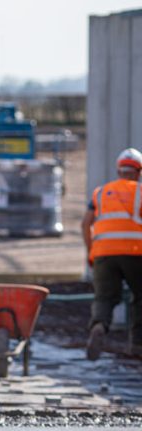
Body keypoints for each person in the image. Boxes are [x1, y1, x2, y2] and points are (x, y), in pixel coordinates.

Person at [82, 147, 142, 360]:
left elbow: (86, 223)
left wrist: (92, 252)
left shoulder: (100, 193)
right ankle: (137, 345)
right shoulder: (140, 191)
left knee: (104, 298)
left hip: (103, 254)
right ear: (138, 172)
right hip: (136, 253)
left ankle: (99, 326)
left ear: (119, 171)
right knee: (140, 297)